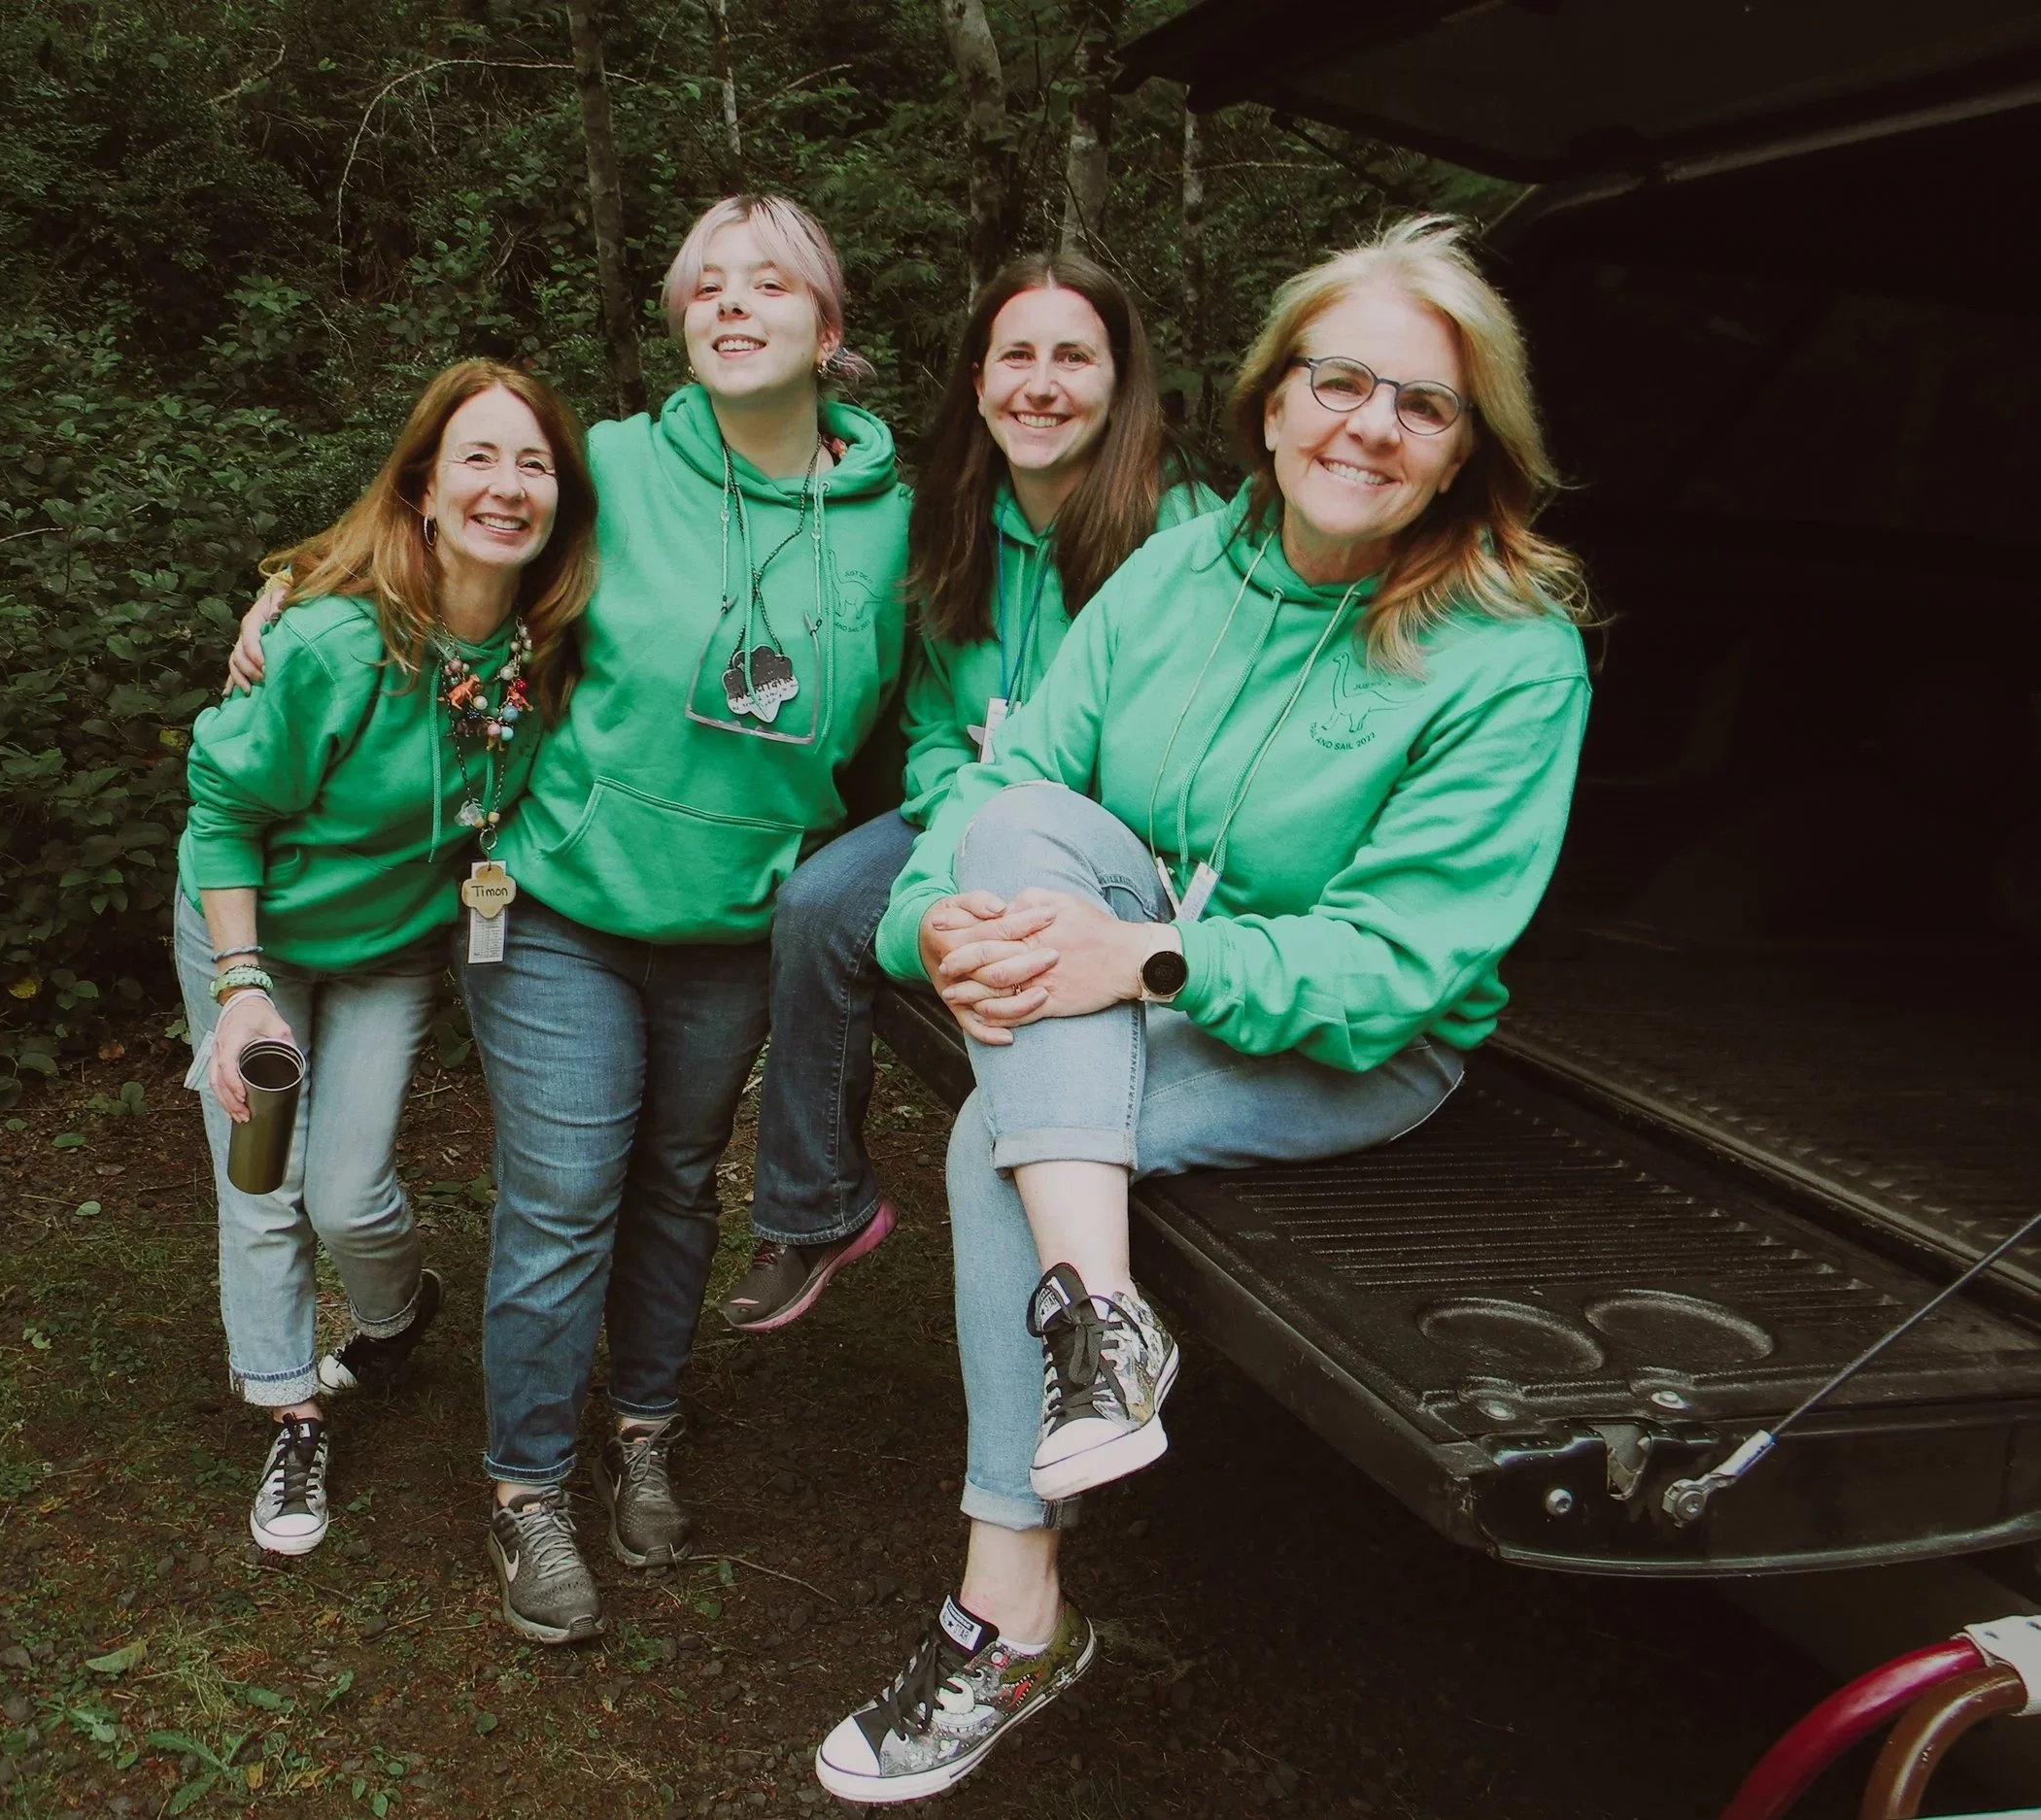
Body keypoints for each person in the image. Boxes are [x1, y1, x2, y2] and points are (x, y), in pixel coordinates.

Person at [812, 216, 1594, 1803]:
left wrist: (1148, 964)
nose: (1370, 423)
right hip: (1143, 937)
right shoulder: (1184, 563)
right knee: (1023, 830)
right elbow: (1019, 774)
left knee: (989, 1146)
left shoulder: (1510, 657)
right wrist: (934, 924)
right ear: (1273, 397)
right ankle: (1099, 1319)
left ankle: (1005, 1611)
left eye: (1422, 405)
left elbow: (1398, 967)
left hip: (1359, 1034)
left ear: (1465, 453)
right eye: (1341, 380)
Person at [457, 194, 908, 1642]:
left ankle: (643, 1423)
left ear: (825, 330)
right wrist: (292, 590)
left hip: (737, 921)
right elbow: (447, 539)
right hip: (562, 903)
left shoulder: (903, 520)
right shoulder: (609, 466)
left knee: (673, 1180)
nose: (730, 304)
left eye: (767, 282)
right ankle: (528, 1490)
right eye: (703, 284)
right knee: (567, 1187)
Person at [725, 253, 1221, 1331]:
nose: (1040, 384)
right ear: (979, 378)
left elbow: (1194, 740)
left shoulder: (1182, 530)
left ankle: (1090, 1237)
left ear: (1120, 379)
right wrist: (964, 836)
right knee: (818, 904)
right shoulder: (950, 513)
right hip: (964, 803)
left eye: (1073, 357)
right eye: (1016, 356)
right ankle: (817, 1206)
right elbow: (936, 721)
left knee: (1039, 956)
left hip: (1116, 836)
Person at [177, 359, 595, 1559]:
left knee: (349, 1190)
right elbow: (221, 802)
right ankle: (290, 1405)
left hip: (388, 945)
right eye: (476, 456)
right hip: (247, 922)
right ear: (422, 484)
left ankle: (399, 1310)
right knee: (261, 1181)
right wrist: (239, 986)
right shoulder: (330, 646)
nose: (506, 485)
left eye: (533, 462)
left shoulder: (552, 640)